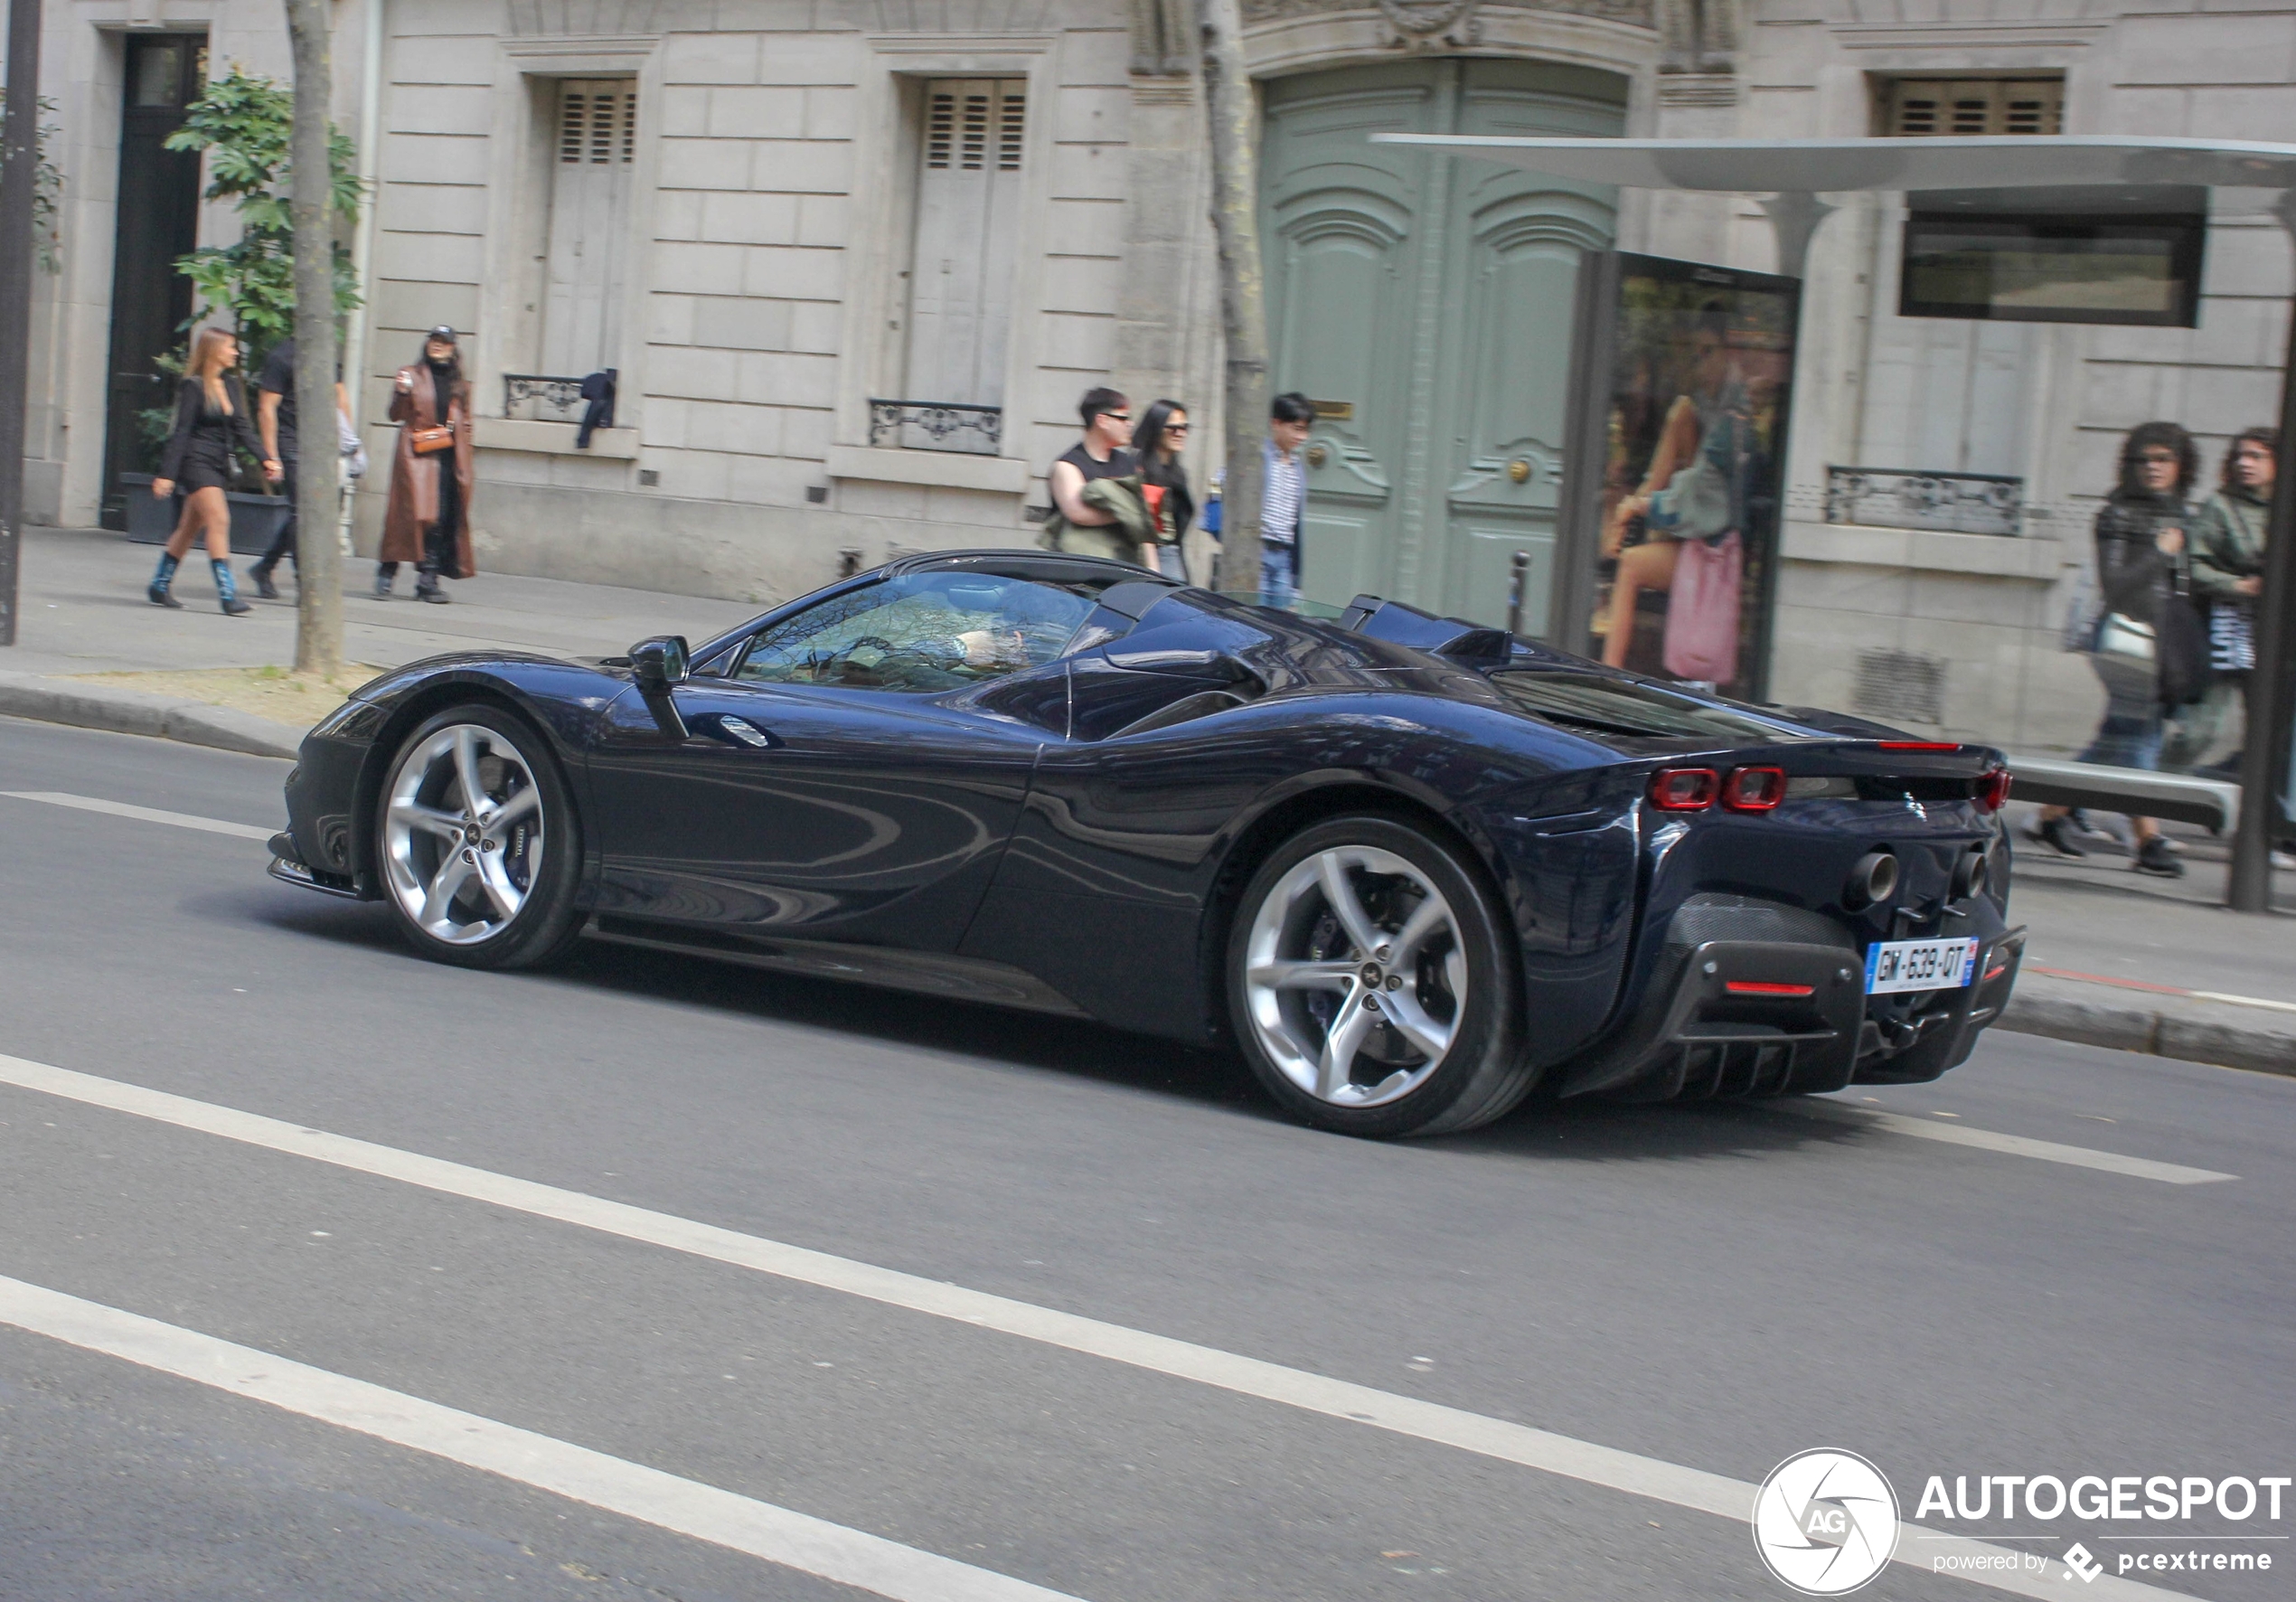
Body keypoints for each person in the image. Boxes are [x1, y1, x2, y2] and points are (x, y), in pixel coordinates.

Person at [2030, 421, 2197, 876]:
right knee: (2140, 736)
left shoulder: (2178, 511)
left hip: (2162, 645)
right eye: (2144, 459)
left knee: (2117, 738)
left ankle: (2050, 812)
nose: (2153, 468)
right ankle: (2149, 838)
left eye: (2163, 459)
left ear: (2181, 464)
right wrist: (2162, 552)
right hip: (2125, 640)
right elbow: (2117, 585)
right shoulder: (2117, 513)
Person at [147, 326, 281, 614]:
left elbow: (243, 428)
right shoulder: (194, 387)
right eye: (231, 347)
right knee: (219, 520)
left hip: (218, 463)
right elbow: (181, 432)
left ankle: (160, 584)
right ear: (214, 350)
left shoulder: (231, 385)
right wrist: (167, 474)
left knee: (189, 527)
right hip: (196, 462)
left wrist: (265, 459)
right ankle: (228, 594)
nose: (235, 352)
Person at [2164, 427, 2273, 776]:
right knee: (2199, 730)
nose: (2245, 463)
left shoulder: (2284, 509)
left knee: (2271, 734)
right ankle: (2144, 792)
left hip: (2274, 637)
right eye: (2240, 455)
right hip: (2227, 631)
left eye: (2256, 456)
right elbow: (2192, 564)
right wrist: (2239, 585)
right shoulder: (2220, 506)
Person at [247, 337, 354, 600]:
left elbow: (340, 399)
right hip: (291, 440)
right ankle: (305, 582)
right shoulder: (281, 357)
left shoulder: (324, 352)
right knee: (302, 511)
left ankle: (264, 568)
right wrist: (271, 456)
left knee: (304, 512)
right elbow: (266, 408)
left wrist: (348, 441)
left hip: (322, 443)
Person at [377, 326, 475, 603]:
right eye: (434, 340)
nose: (438, 346)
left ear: (453, 348)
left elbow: (465, 420)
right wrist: (401, 394)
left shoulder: (460, 385)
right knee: (413, 515)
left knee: (441, 517)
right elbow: (395, 415)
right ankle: (388, 569)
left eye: (444, 342)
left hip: (447, 457)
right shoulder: (412, 374)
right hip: (416, 454)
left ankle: (427, 580)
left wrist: (464, 445)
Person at [1045, 387, 1138, 562]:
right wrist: (1131, 513)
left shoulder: (1129, 463)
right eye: (1123, 418)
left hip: (1125, 563)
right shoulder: (1067, 466)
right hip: (1076, 567)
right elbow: (1078, 513)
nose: (1130, 424)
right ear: (1102, 420)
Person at [1131, 399, 1195, 580]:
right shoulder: (1137, 469)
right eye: (1173, 428)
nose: (1180, 434)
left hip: (1174, 559)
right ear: (1156, 428)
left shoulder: (1178, 473)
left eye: (1185, 428)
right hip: (1148, 564)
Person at [1260, 392, 1313, 606]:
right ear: (1277, 423)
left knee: (1279, 624)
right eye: (1297, 429)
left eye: (1305, 430)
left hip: (1283, 557)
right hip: (1257, 554)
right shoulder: (1258, 457)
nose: (1302, 437)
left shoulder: (1296, 467)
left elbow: (1296, 521)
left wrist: (1296, 579)